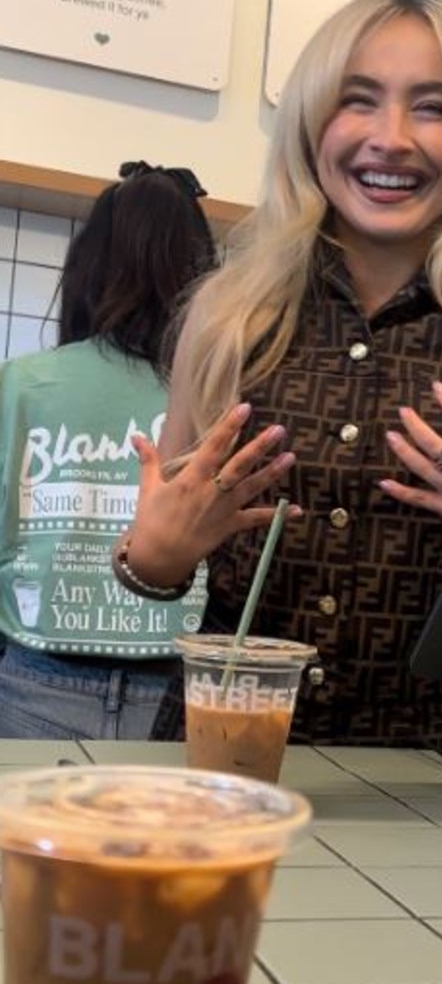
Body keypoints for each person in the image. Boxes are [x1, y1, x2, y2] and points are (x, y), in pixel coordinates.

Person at [113, 0, 442, 750]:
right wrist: (152, 557)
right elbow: (162, 550)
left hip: (433, 777)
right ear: (310, 122)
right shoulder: (228, 318)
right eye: (358, 99)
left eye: (433, 107)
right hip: (229, 749)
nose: (391, 137)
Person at [0, 161, 218, 739]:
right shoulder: (222, 397)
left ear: (86, 269)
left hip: (33, 684)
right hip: (182, 692)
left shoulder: (21, 382)